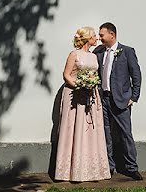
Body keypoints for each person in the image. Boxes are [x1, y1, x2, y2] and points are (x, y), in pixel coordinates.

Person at [53, 27, 111, 182]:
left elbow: (95, 75)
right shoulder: (74, 54)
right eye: (94, 36)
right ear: (87, 39)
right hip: (75, 95)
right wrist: (79, 86)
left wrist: (90, 87)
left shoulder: (93, 56)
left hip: (91, 96)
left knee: (89, 131)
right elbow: (66, 74)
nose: (97, 39)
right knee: (74, 129)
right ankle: (69, 171)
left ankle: (91, 170)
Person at [94, 22, 143, 180]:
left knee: (125, 134)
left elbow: (136, 76)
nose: (99, 38)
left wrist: (133, 97)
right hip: (104, 99)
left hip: (121, 100)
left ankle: (131, 167)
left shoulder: (127, 51)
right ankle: (109, 167)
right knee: (106, 134)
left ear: (112, 35)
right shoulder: (99, 52)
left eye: (102, 35)